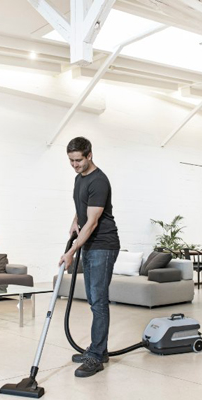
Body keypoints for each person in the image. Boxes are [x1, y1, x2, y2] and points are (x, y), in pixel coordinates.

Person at [59, 136, 120, 378]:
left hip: (103, 245)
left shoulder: (99, 181)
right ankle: (99, 350)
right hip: (90, 244)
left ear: (89, 155)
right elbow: (82, 207)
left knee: (98, 301)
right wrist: (74, 221)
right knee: (94, 299)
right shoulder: (79, 178)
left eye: (78, 160)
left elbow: (93, 221)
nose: (74, 165)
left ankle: (96, 356)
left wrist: (71, 252)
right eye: (71, 161)